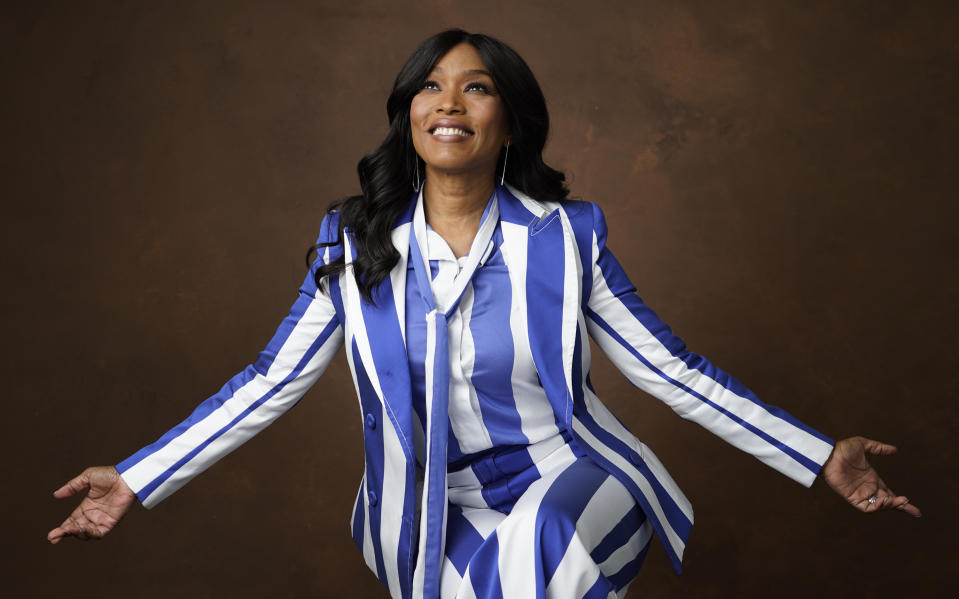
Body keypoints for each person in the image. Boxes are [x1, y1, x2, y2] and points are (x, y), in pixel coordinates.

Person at [48, 29, 920, 599]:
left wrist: (817, 456)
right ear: (408, 118)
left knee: (547, 543)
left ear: (508, 120)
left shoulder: (567, 237)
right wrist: (136, 476)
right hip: (423, 509)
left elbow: (671, 371)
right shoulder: (350, 242)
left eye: (475, 88)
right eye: (429, 88)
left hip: (570, 477)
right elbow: (269, 381)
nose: (449, 103)